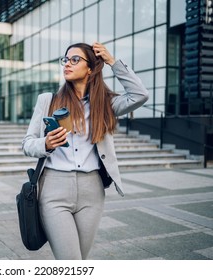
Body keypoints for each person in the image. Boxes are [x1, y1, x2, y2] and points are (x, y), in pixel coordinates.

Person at [22, 42, 149, 259]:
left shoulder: (105, 104)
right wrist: (46, 144)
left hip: (92, 191)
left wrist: (112, 62)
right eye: (65, 60)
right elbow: (27, 143)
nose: (67, 64)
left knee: (80, 260)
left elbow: (140, 95)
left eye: (75, 60)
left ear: (90, 68)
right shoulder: (48, 100)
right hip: (54, 189)